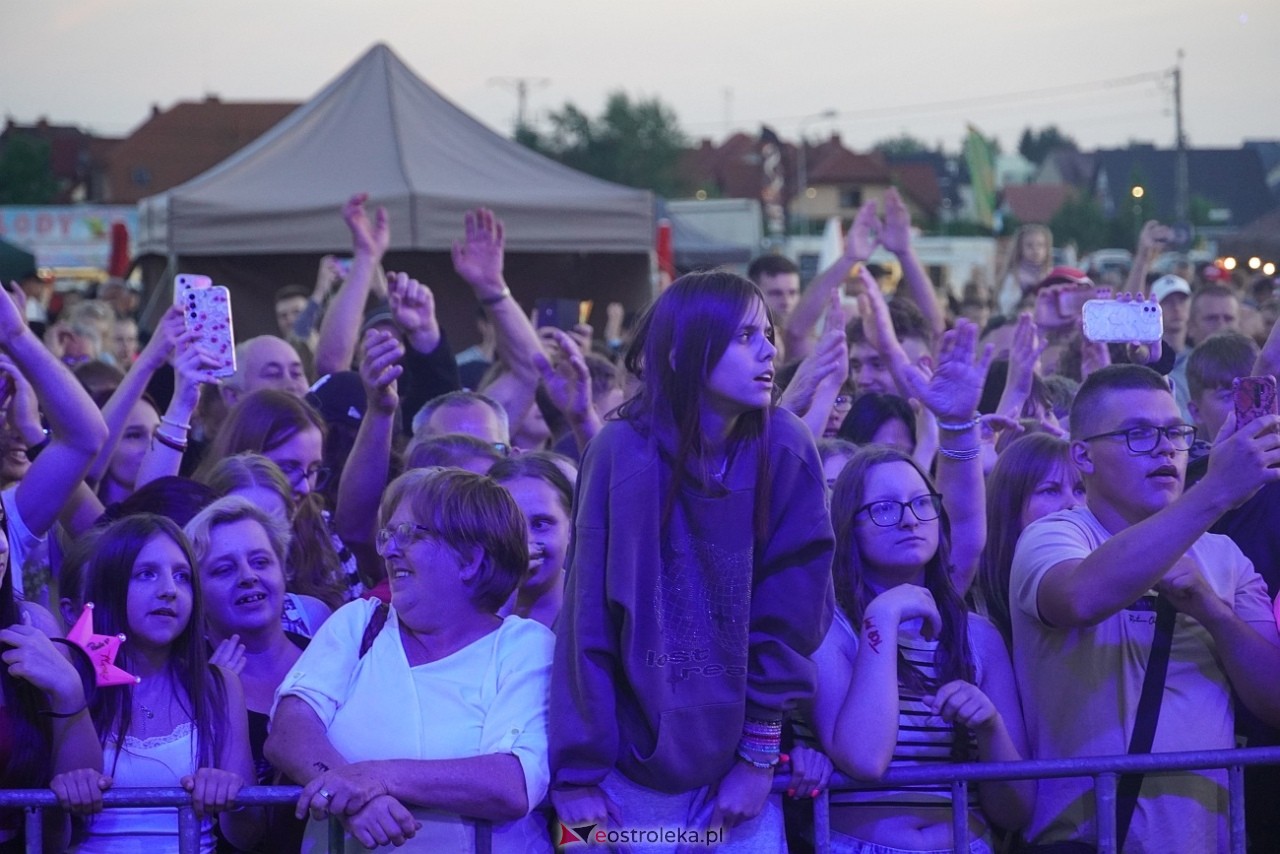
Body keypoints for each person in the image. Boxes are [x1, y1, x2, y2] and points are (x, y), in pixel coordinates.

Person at [549, 271, 836, 850]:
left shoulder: (787, 444)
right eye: (744, 337)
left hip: (739, 766)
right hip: (617, 768)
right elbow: (588, 622)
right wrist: (576, 778)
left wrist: (758, 760)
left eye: (769, 334)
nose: (769, 351)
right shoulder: (618, 448)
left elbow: (792, 617)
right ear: (681, 353)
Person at [1010, 364, 1280, 852]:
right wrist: (1215, 490)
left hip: (1206, 840)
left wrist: (1213, 613)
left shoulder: (1223, 556)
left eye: (1175, 432)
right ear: (1082, 457)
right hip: (1080, 840)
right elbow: (1077, 598)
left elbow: (1276, 702)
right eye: (1137, 434)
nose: (1164, 448)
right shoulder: (1055, 535)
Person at [265, 468, 554, 852]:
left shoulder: (524, 646)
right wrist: (352, 796)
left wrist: (377, 777)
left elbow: (510, 783)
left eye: (408, 535)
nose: (388, 550)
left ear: (469, 559)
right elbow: (289, 731)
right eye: (387, 535)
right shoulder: (358, 623)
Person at [813, 446, 1033, 853]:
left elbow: (1015, 812)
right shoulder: (829, 629)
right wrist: (883, 615)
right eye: (884, 508)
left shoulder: (978, 636)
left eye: (920, 503)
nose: (910, 520)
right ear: (849, 527)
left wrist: (990, 728)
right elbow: (864, 759)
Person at [60, 514, 259, 854]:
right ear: (111, 584)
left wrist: (233, 797)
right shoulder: (69, 684)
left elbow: (251, 835)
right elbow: (45, 836)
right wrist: (64, 797)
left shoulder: (220, 686)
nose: (169, 590)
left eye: (182, 577)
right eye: (146, 574)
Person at [185, 496, 311, 854]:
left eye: (260, 561)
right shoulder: (183, 681)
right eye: (224, 569)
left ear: (282, 570)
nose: (248, 576)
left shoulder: (330, 660)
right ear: (194, 590)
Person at [197, 390, 355, 608]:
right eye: (288, 468)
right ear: (247, 461)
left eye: (313, 469)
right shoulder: (201, 536)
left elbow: (356, 627)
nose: (305, 487)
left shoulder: (323, 531)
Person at [202, 454, 332, 637]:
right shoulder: (192, 640)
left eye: (270, 521)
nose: (257, 533)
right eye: (240, 518)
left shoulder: (313, 617)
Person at [974, 433, 1083, 645]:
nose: (1073, 504)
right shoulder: (975, 605)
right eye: (1050, 490)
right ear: (1010, 505)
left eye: (1080, 490)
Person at [489, 452, 574, 627]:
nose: (525, 541)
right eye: (509, 524)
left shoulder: (597, 613)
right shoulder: (458, 609)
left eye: (541, 524)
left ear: (571, 530)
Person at [996, 225, 1053, 317]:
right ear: (1020, 249)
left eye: (1040, 245)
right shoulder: (1014, 276)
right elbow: (1006, 307)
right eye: (1029, 245)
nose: (1036, 250)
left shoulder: (1050, 275)